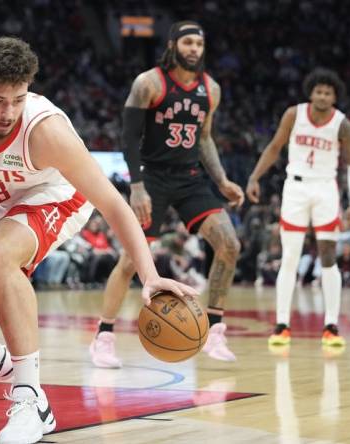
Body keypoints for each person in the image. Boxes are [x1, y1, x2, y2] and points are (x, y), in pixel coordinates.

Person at [0, 36, 197, 444]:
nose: (8, 112)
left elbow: (113, 204)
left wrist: (149, 275)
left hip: (56, 195)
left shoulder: (46, 130)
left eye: (18, 99)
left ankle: (30, 398)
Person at [89, 21, 244, 367]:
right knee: (131, 261)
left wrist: (221, 181)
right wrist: (137, 186)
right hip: (153, 178)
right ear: (173, 45)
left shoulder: (211, 89)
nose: (194, 49)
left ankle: (215, 330)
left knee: (230, 244)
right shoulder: (149, 83)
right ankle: (104, 335)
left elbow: (204, 139)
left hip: (190, 179)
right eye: (187, 42)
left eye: (199, 44)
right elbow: (129, 138)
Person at [246, 68, 350, 348]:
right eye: (318, 91)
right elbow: (274, 147)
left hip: (325, 188)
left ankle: (331, 326)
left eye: (328, 92)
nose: (322, 96)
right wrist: (254, 176)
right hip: (295, 188)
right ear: (310, 92)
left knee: (328, 255)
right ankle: (282, 325)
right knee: (290, 256)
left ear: (335, 97)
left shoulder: (342, 124)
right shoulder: (293, 114)